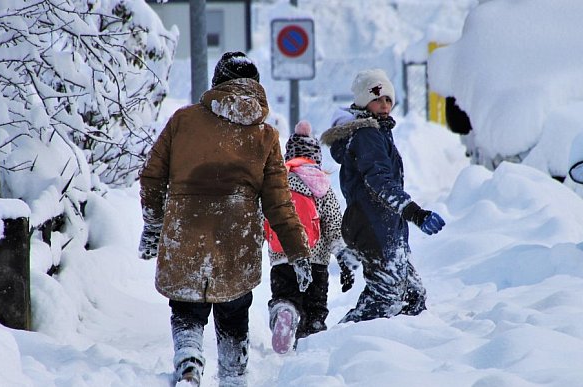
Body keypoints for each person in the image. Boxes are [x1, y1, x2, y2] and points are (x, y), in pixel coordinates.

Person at [138, 51, 313, 386]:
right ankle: (233, 377)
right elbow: (279, 202)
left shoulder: (183, 121)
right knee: (233, 313)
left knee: (187, 309)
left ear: (217, 83)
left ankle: (189, 360)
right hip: (236, 238)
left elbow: (152, 177)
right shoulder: (265, 136)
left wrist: (153, 223)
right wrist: (298, 252)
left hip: (185, 231)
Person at [320, 68, 446, 324]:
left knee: (412, 296)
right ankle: (338, 343)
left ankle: (400, 352)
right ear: (364, 103)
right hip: (373, 226)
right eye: (377, 99)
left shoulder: (376, 132)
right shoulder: (367, 135)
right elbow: (380, 182)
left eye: (388, 99)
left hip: (385, 226)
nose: (384, 105)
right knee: (386, 298)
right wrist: (415, 213)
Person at [264, 120, 358, 354]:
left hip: (282, 258)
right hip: (316, 262)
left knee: (285, 297)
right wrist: (342, 256)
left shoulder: (277, 183)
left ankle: (285, 311)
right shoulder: (321, 185)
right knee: (315, 309)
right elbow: (335, 226)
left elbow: (261, 218)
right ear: (316, 157)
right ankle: (310, 349)